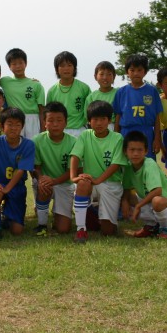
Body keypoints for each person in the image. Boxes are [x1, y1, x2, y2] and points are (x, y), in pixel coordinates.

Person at [69, 101, 128, 243]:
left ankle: (96, 211)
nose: (99, 123)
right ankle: (81, 229)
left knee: (108, 232)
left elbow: (115, 164)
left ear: (109, 120)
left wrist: (98, 180)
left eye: (103, 119)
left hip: (110, 183)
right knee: (82, 183)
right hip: (91, 182)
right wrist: (73, 177)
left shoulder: (117, 138)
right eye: (95, 119)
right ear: (89, 121)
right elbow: (75, 156)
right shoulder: (85, 135)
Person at [0, 107, 36, 240]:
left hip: (17, 187)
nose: (13, 128)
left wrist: (7, 189)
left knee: (17, 231)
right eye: (9, 124)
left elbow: (21, 170)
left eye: (17, 125)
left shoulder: (28, 145)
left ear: (22, 127)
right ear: (2, 126)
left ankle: (7, 215)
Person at [121, 131, 167, 239]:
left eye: (140, 150)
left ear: (146, 151)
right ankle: (150, 227)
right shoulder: (128, 167)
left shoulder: (149, 164)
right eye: (132, 150)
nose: (135, 153)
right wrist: (124, 202)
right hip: (152, 203)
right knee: (127, 197)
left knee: (157, 200)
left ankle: (165, 230)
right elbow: (126, 189)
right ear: (125, 151)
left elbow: (157, 191)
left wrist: (138, 206)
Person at [32, 101, 77, 236]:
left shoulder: (74, 142)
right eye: (50, 120)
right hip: (45, 183)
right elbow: (35, 168)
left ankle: (57, 216)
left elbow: (74, 171)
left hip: (63, 184)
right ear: (44, 123)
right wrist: (41, 179)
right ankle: (42, 224)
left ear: (66, 122)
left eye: (59, 120)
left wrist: (54, 181)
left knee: (63, 229)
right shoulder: (37, 140)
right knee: (44, 185)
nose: (55, 124)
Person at [113, 54, 162, 158]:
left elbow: (157, 117)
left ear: (145, 71)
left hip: (146, 132)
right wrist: (116, 137)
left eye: (139, 70)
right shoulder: (121, 92)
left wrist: (157, 138)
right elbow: (118, 116)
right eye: (132, 70)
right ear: (127, 72)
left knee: (147, 164)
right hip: (126, 132)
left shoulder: (152, 91)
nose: (136, 73)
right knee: (126, 164)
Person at [0, 48, 45, 139]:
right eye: (14, 64)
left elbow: (42, 110)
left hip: (33, 120)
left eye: (20, 63)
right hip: (15, 119)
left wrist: (43, 131)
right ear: (9, 66)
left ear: (26, 64)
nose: (18, 66)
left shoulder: (36, 85)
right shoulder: (4, 81)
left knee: (33, 147)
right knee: (16, 146)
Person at [46, 51, 91, 137]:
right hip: (58, 131)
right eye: (62, 66)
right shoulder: (52, 91)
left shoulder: (84, 88)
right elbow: (48, 114)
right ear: (56, 69)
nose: (66, 69)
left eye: (69, 65)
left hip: (80, 130)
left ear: (75, 68)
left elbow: (90, 111)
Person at [84, 61, 118, 128]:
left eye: (109, 74)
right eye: (101, 74)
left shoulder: (118, 93)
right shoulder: (91, 97)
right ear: (95, 76)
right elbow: (87, 117)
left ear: (114, 77)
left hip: (113, 127)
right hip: (96, 128)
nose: (105, 77)